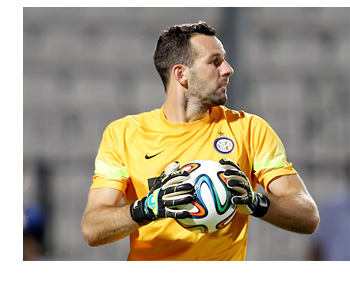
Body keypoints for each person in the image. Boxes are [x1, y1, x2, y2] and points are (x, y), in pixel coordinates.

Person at [81, 21, 320, 261]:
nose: (228, 69)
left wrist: (256, 201)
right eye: (214, 61)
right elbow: (93, 228)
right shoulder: (124, 134)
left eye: (224, 60)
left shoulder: (249, 129)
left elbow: (308, 215)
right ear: (181, 74)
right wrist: (147, 208)